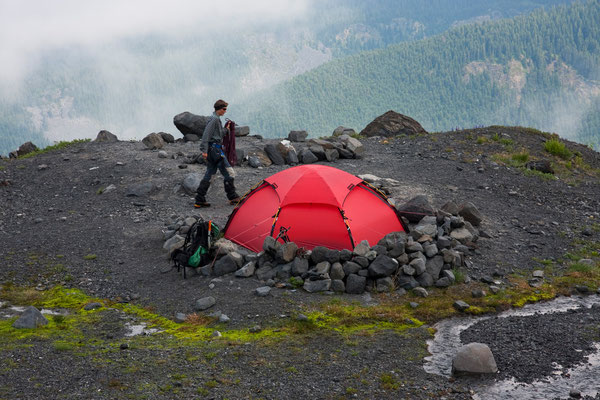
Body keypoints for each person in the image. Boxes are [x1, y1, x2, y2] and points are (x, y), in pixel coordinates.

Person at [194, 99, 241, 207]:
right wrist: (204, 151)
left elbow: (218, 134)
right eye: (224, 109)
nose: (225, 111)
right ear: (219, 109)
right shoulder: (214, 120)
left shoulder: (215, 119)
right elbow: (206, 135)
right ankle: (233, 197)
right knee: (229, 173)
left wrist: (226, 129)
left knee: (210, 174)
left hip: (212, 151)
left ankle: (199, 199)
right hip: (215, 151)